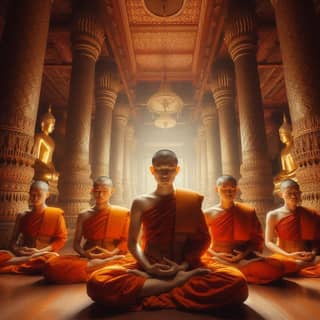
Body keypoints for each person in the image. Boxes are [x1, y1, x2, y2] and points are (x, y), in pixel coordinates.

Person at [87, 150, 248, 311]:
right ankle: (177, 282)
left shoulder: (189, 201)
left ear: (177, 170)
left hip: (184, 266)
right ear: (152, 170)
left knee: (237, 281)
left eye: (169, 168)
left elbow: (202, 240)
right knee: (97, 281)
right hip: (148, 265)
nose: (164, 173)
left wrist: (182, 267)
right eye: (159, 168)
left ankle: (155, 285)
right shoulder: (140, 202)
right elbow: (132, 242)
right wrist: (148, 267)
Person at [44, 176, 130, 284]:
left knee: (131, 261)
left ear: (111, 191)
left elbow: (126, 241)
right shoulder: (84, 215)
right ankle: (102, 267)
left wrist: (111, 254)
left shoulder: (122, 213)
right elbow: (76, 244)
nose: (100, 195)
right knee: (51, 266)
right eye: (97, 191)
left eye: (104, 191)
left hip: (114, 256)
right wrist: (85, 254)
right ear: (92, 191)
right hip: (89, 258)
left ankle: (103, 265)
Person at [204, 175, 287, 284]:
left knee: (278, 267)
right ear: (217, 189)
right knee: (204, 267)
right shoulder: (208, 213)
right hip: (217, 258)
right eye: (224, 189)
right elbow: (200, 241)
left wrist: (242, 255)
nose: (229, 192)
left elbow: (255, 241)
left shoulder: (247, 211)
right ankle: (235, 272)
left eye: (232, 189)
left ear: (237, 189)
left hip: (244, 258)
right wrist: (216, 255)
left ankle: (233, 272)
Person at [0, 180, 67, 274]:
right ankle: (25, 261)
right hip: (24, 254)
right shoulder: (22, 216)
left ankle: (23, 262)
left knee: (52, 257)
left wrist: (39, 251)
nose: (35, 198)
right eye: (32, 194)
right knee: (2, 254)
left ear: (47, 195)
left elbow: (61, 240)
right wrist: (18, 250)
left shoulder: (56, 214)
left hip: (43, 254)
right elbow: (13, 242)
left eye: (39, 195)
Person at [265, 179, 320, 277]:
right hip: (285, 256)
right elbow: (268, 242)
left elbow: (316, 240)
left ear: (300, 193)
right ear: (281, 194)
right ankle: (298, 267)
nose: (293, 196)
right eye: (289, 193)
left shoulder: (310, 213)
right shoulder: (273, 215)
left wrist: (313, 253)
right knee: (271, 267)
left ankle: (298, 267)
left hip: (308, 257)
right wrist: (288, 255)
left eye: (296, 193)